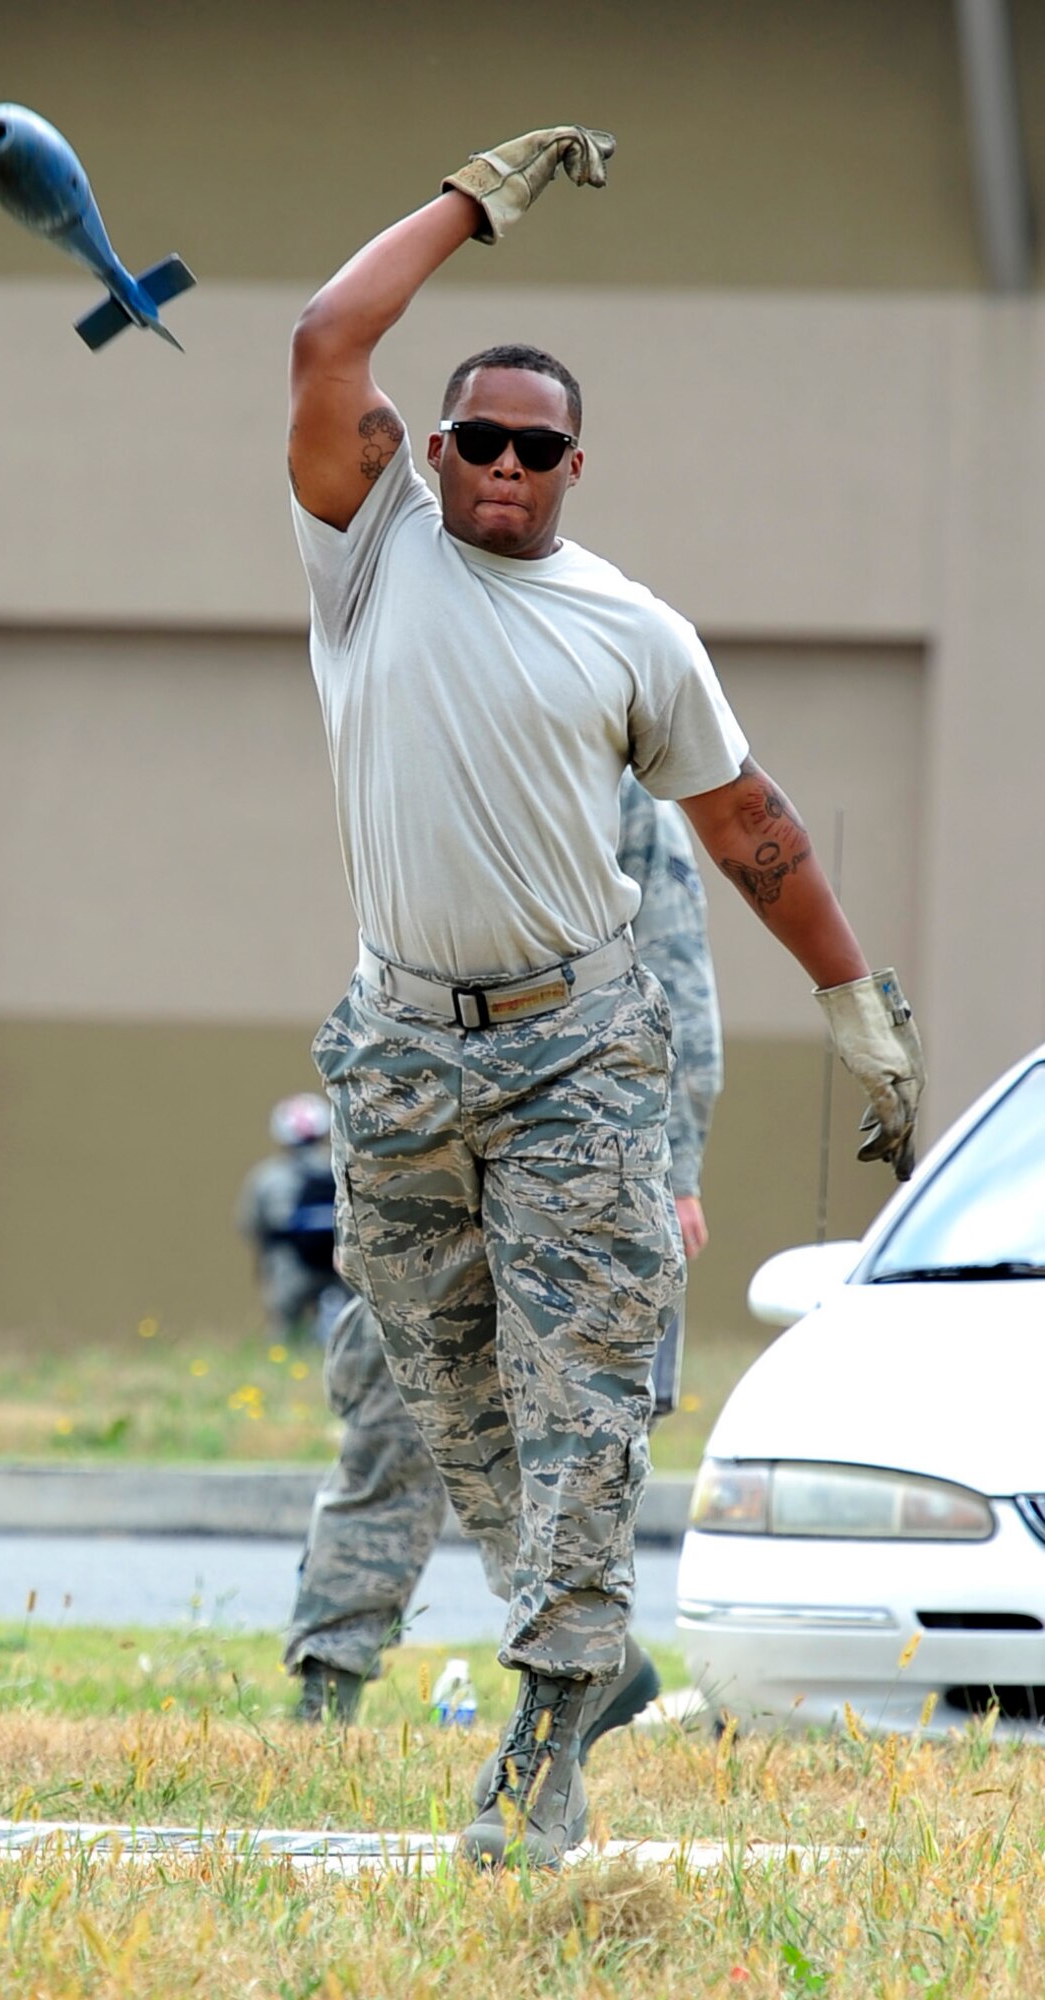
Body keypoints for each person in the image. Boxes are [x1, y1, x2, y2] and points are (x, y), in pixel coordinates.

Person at [286, 124, 924, 1867]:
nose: (502, 464)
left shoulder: (633, 632)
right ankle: (581, 1646)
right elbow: (321, 341)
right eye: (476, 437)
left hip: (580, 1051)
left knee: (580, 1402)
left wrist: (853, 1002)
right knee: (442, 1394)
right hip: (402, 1047)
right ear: (432, 449)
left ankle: (547, 1733)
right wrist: (464, 206)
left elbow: (749, 828)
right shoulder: (370, 553)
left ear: (576, 466)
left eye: (535, 448)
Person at [285, 775, 720, 1732]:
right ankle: (329, 1676)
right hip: (425, 1123)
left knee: (568, 1432)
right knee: (393, 1411)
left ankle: (579, 1677)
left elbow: (677, 978)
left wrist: (672, 1167)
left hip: (570, 1138)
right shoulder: (436, 745)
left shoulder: (615, 791)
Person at [235, 1093, 346, 1344]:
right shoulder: (343, 1167)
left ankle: (281, 1372)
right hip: (342, 1265)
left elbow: (249, 1225)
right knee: (351, 1328)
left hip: (291, 1266)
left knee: (284, 1328)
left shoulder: (267, 1176)